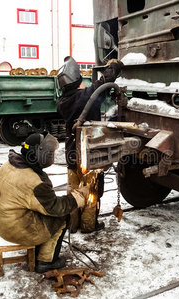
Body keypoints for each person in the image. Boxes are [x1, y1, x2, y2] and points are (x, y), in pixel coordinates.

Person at [0, 132, 90, 273]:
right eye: (52, 154)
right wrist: (76, 198)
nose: (53, 157)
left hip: (3, 221)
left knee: (47, 213)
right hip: (16, 230)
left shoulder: (9, 164)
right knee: (62, 218)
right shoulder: (33, 182)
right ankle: (46, 261)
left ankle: (41, 249)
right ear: (38, 154)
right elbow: (56, 208)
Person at [56, 56, 124, 233]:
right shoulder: (84, 97)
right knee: (91, 191)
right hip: (88, 155)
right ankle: (88, 225)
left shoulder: (63, 102)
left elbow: (94, 89)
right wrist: (114, 66)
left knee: (74, 191)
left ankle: (73, 224)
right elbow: (103, 83)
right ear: (77, 84)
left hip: (71, 154)